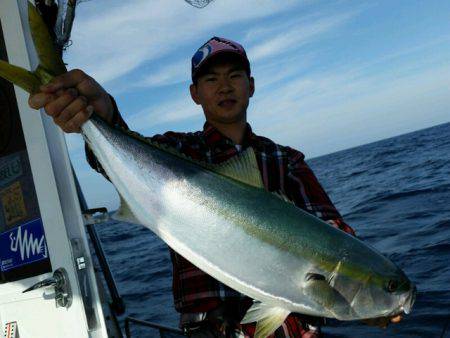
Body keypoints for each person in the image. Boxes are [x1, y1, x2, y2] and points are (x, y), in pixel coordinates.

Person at [28, 36, 401, 337]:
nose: (224, 86)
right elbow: (120, 156)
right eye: (211, 79)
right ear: (195, 93)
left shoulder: (285, 160)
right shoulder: (178, 150)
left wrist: (362, 299)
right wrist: (101, 117)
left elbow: (332, 232)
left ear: (251, 86)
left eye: (234, 75)